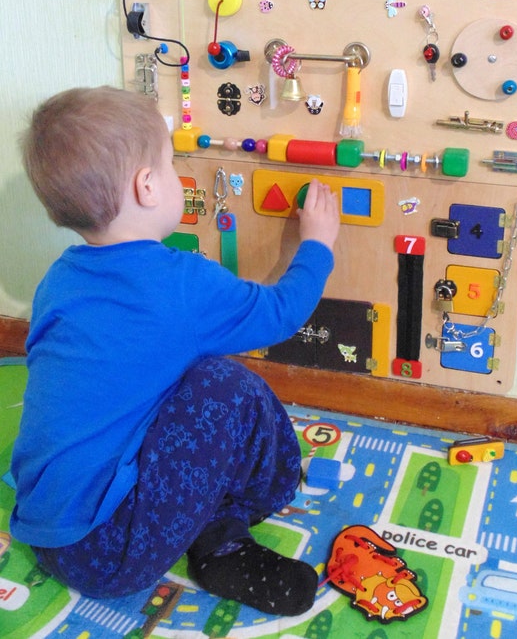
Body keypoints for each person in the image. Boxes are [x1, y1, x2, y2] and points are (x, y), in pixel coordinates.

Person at [10, 86, 339, 615]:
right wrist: (318, 244)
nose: (173, 174)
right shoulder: (181, 284)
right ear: (147, 186)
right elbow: (280, 314)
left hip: (46, 528)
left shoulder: (60, 279)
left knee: (171, 385)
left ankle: (207, 533)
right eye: (169, 164)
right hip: (109, 553)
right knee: (223, 385)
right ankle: (227, 528)